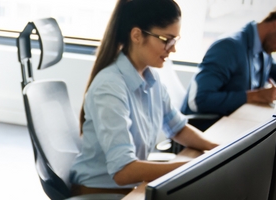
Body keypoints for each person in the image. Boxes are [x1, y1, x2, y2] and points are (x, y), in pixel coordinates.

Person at [72, 0, 219, 195]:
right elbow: (123, 171)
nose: (173, 48)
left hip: (128, 188)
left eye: (175, 40)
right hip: (100, 192)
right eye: (167, 39)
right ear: (137, 35)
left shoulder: (152, 79)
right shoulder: (110, 88)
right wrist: (189, 168)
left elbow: (178, 128)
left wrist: (216, 149)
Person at [182, 1, 276, 116]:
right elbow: (198, 100)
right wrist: (255, 96)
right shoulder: (229, 47)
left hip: (238, 120)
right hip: (210, 126)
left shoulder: (264, 49)